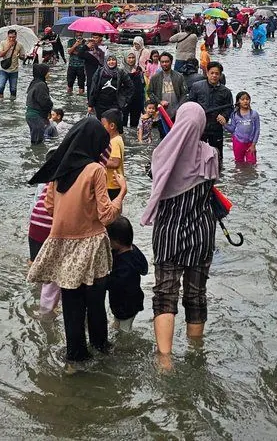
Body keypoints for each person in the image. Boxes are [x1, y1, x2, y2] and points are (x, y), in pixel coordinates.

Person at [27, 118, 126, 367]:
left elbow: (50, 206)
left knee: (71, 307)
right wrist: (121, 194)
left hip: (63, 245)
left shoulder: (59, 168)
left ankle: (75, 358)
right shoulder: (95, 170)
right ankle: (101, 350)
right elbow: (106, 215)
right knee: (95, 304)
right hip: (92, 247)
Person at [140, 103, 219, 370]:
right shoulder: (211, 154)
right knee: (196, 294)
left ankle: (165, 359)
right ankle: (196, 353)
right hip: (201, 232)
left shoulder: (161, 154)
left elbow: (153, 179)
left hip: (168, 233)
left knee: (165, 292)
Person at [104, 216, 148, 331]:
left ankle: (125, 347)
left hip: (126, 306)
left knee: (125, 331)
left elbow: (114, 283)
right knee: (117, 325)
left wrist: (100, 280)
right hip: (131, 301)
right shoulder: (133, 249)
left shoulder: (125, 266)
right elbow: (144, 269)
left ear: (116, 241)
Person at [184, 61, 234, 157]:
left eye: (217, 74)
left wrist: (224, 116)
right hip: (200, 127)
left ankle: (218, 171)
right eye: (212, 73)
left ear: (220, 75)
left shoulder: (226, 91)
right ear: (207, 73)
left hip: (216, 127)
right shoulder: (197, 87)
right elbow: (190, 104)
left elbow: (229, 107)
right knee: (197, 154)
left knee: (217, 155)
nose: (214, 76)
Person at [27, 185, 62, 316]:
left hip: (35, 224)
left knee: (35, 262)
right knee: (53, 269)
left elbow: (35, 203)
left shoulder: (47, 181)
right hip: (50, 228)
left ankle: (35, 289)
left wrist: (29, 224)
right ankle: (48, 305)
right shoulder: (72, 181)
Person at [225, 90, 261, 165]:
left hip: (250, 143)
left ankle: (249, 176)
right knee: (239, 163)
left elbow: (257, 130)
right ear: (238, 101)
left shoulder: (254, 114)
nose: (245, 101)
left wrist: (253, 144)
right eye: (242, 99)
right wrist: (224, 124)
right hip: (238, 142)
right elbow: (232, 129)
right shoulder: (235, 115)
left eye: (247, 99)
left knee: (252, 163)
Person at [24, 63, 55, 145]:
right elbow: (44, 102)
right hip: (37, 116)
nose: (49, 74)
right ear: (43, 73)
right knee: (38, 142)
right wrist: (50, 108)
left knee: (34, 140)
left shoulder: (33, 83)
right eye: (47, 72)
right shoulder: (41, 85)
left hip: (30, 115)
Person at [99, 109, 126, 201]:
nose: (101, 128)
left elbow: (115, 163)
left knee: (111, 210)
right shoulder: (116, 139)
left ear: (112, 126)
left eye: (103, 125)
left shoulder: (114, 142)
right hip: (114, 184)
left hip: (112, 185)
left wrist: (97, 160)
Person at [0, 29, 22, 100]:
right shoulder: (3, 43)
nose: (11, 38)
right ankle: (0, 103)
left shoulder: (19, 45)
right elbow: (0, 54)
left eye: (13, 37)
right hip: (4, 69)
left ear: (16, 36)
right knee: (0, 87)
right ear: (7, 36)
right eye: (10, 37)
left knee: (13, 89)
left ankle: (12, 106)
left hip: (14, 70)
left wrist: (19, 55)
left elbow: (23, 57)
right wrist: (9, 47)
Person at [124, 52, 146, 129]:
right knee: (123, 125)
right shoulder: (121, 71)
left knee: (134, 125)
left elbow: (143, 86)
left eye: (133, 58)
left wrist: (143, 104)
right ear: (125, 58)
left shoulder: (139, 70)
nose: (131, 60)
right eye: (129, 58)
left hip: (137, 101)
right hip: (124, 101)